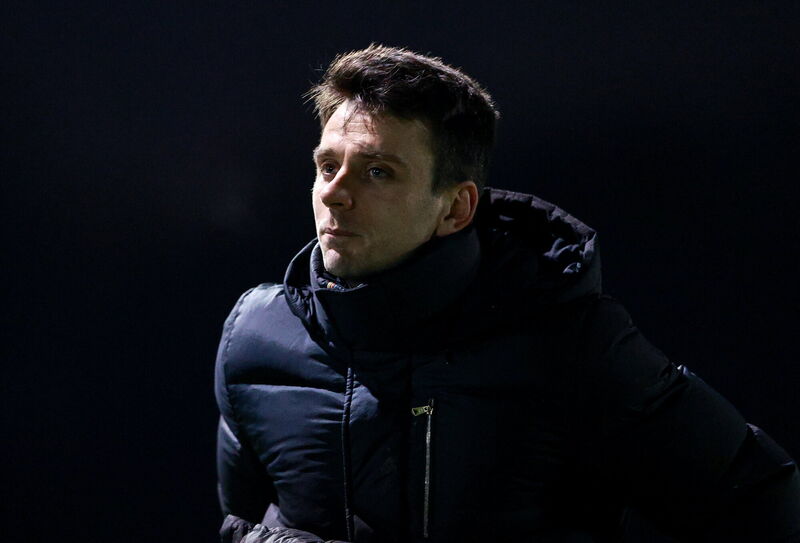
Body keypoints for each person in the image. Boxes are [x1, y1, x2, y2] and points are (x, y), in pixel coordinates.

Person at [214, 44, 800, 543]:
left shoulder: (568, 340)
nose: (334, 195)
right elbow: (240, 520)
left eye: (378, 172)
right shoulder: (256, 338)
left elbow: (759, 495)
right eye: (326, 166)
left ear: (456, 207)